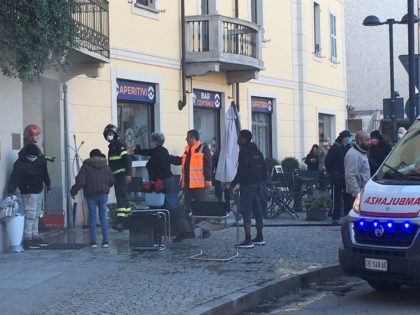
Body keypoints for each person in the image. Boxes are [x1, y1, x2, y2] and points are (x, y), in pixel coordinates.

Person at [134, 132, 194, 243]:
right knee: (166, 208)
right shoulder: (161, 150)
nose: (149, 142)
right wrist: (137, 151)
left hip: (165, 183)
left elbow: (157, 166)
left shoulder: (159, 153)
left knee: (172, 208)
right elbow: (150, 152)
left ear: (155, 142)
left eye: (151, 140)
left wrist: (154, 182)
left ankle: (185, 231)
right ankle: (172, 232)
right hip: (166, 181)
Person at [170, 129, 212, 238]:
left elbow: (208, 165)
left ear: (193, 138)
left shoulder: (203, 148)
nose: (186, 139)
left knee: (201, 208)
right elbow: (181, 161)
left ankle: (205, 231)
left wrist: (208, 180)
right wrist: (167, 157)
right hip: (188, 185)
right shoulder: (187, 150)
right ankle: (190, 231)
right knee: (188, 208)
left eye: (187, 137)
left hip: (199, 185)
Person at [7, 144, 51, 249]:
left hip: (39, 189)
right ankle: (28, 238)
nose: (32, 158)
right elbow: (14, 177)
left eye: (34, 156)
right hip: (27, 191)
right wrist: (10, 191)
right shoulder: (20, 163)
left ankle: (35, 236)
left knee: (37, 214)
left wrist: (48, 184)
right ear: (26, 155)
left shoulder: (40, 160)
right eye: (30, 156)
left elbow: (45, 173)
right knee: (30, 214)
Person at [230, 129, 267, 248]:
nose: (237, 139)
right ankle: (260, 237)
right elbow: (265, 169)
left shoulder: (244, 152)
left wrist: (233, 184)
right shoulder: (258, 152)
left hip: (247, 186)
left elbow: (242, 170)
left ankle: (248, 239)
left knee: (246, 213)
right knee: (258, 212)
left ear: (244, 139)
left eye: (239, 137)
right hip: (258, 186)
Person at [70, 149, 114, 248]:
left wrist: (73, 191)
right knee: (103, 217)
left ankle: (93, 242)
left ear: (91, 156)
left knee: (92, 217)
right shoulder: (106, 166)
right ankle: (105, 241)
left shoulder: (86, 166)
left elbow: (80, 181)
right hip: (103, 194)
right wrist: (105, 187)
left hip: (91, 195)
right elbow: (111, 181)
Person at [103, 124, 132, 232]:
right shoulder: (113, 146)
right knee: (124, 198)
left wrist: (128, 174)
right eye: (107, 134)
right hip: (117, 176)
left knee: (120, 197)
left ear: (115, 134)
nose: (109, 136)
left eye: (110, 134)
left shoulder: (119, 144)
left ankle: (120, 222)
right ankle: (128, 220)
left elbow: (127, 160)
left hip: (121, 175)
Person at [325, 130, 353, 224]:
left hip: (346, 176)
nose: (349, 139)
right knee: (336, 198)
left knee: (348, 198)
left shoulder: (349, 148)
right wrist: (333, 172)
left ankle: (347, 215)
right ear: (343, 139)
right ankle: (335, 216)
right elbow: (328, 162)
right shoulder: (335, 148)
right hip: (336, 177)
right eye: (348, 138)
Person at [344, 131, 371, 208]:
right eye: (367, 140)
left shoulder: (361, 152)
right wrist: (357, 194)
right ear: (359, 141)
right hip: (355, 196)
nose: (369, 142)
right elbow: (350, 176)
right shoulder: (353, 154)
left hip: (362, 192)